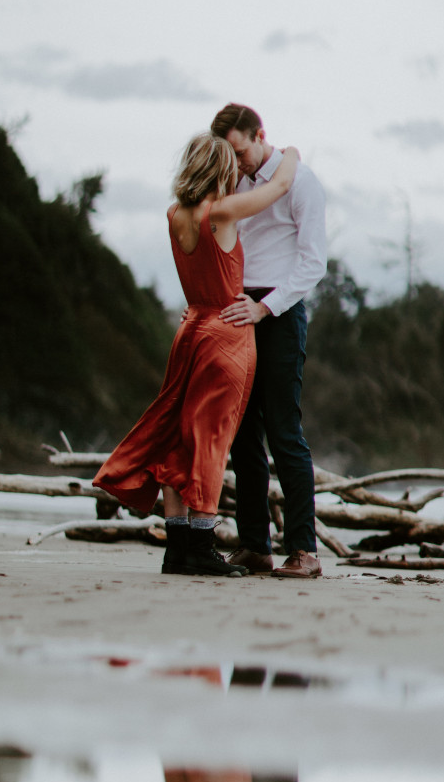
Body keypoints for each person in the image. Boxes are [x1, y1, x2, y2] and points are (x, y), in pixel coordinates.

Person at [93, 132, 299, 577]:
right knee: (212, 438)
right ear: (221, 169)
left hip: (190, 330)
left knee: (177, 437)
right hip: (226, 335)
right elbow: (278, 187)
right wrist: (292, 155)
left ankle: (178, 548)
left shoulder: (175, 214)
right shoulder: (219, 213)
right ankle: (202, 546)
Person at [210, 104, 327, 579]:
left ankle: (304, 550)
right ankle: (255, 546)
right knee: (242, 436)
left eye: (240, 152)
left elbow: (313, 263)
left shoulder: (301, 181)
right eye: (228, 156)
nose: (236, 164)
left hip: (279, 311)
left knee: (284, 431)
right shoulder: (231, 179)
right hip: (236, 307)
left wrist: (266, 307)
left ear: (260, 135)